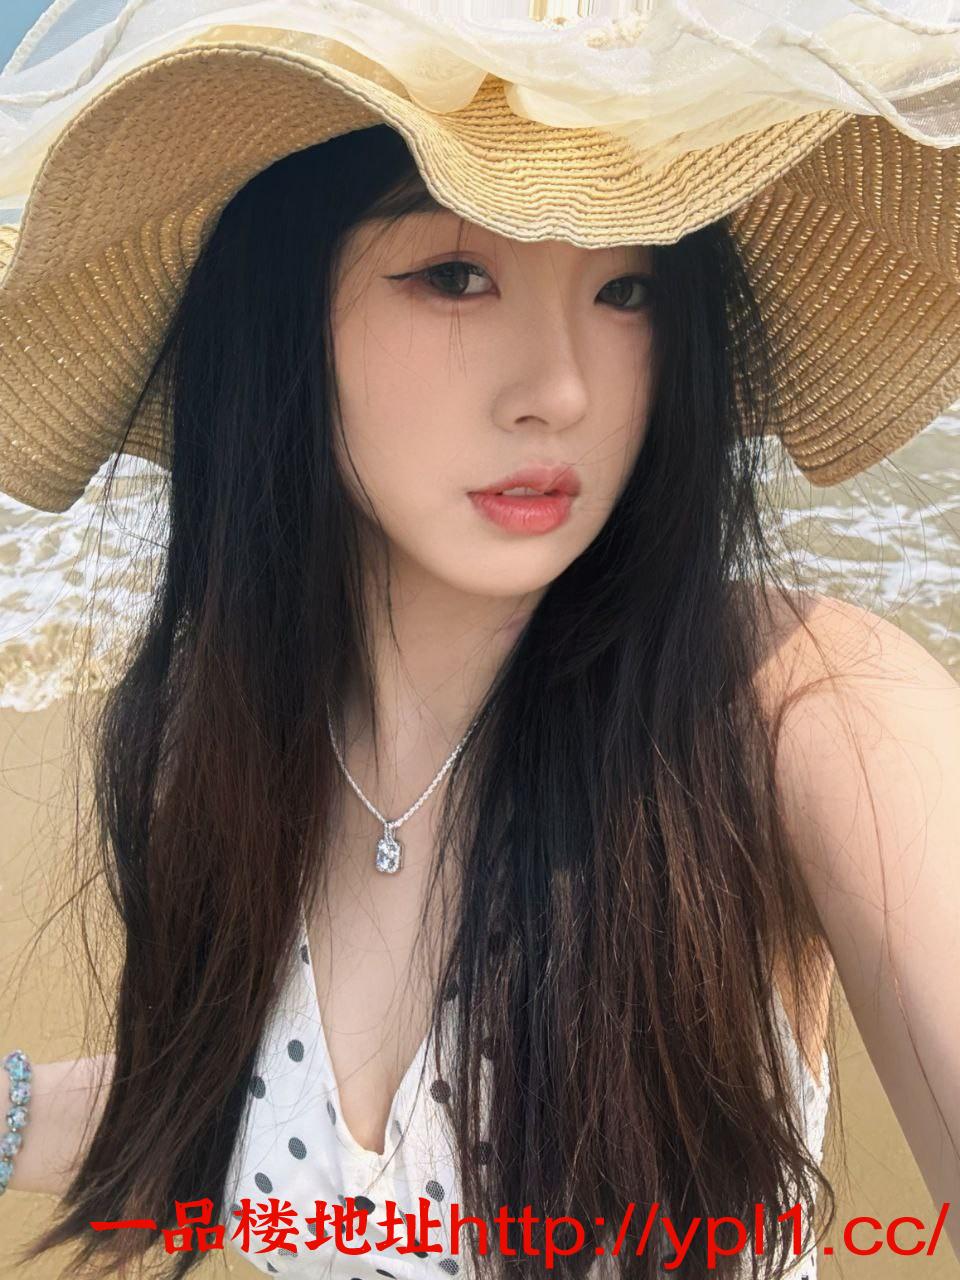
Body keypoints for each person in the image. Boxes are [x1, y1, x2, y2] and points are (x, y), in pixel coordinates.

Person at [0, 4, 957, 1279]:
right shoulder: (223, 742)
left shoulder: (800, 715)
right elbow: (254, 1115)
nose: (561, 387)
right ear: (281, 310)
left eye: (626, 288)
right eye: (456, 274)